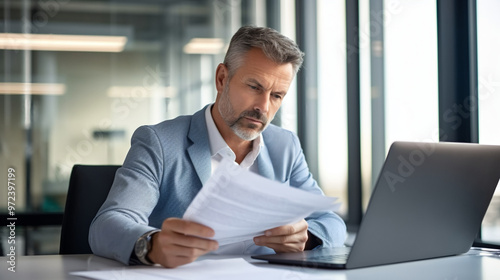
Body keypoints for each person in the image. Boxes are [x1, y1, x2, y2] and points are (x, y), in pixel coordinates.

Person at [89, 26, 346, 268]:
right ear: (222, 78)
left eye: (277, 95)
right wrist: (152, 244)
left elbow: (331, 222)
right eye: (254, 87)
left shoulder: (285, 146)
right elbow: (107, 225)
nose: (264, 107)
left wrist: (307, 237)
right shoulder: (159, 142)